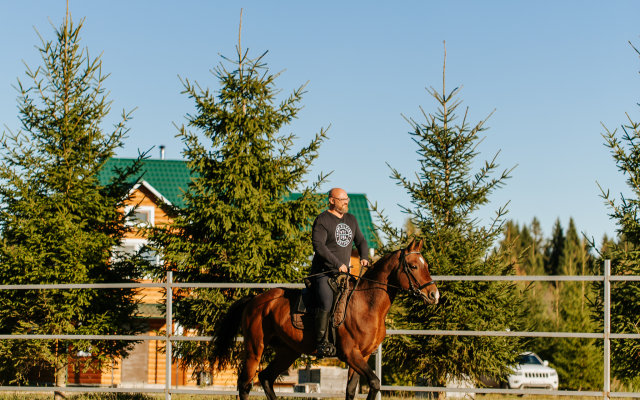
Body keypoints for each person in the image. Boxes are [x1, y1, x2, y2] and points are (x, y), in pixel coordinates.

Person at [310, 188, 370, 356]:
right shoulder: (322, 220)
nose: (346, 202)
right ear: (332, 201)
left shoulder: (351, 219)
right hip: (324, 273)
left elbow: (361, 240)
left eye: (347, 199)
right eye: (342, 199)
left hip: (344, 275)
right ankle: (321, 342)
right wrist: (337, 264)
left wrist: (364, 256)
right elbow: (319, 247)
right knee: (327, 301)